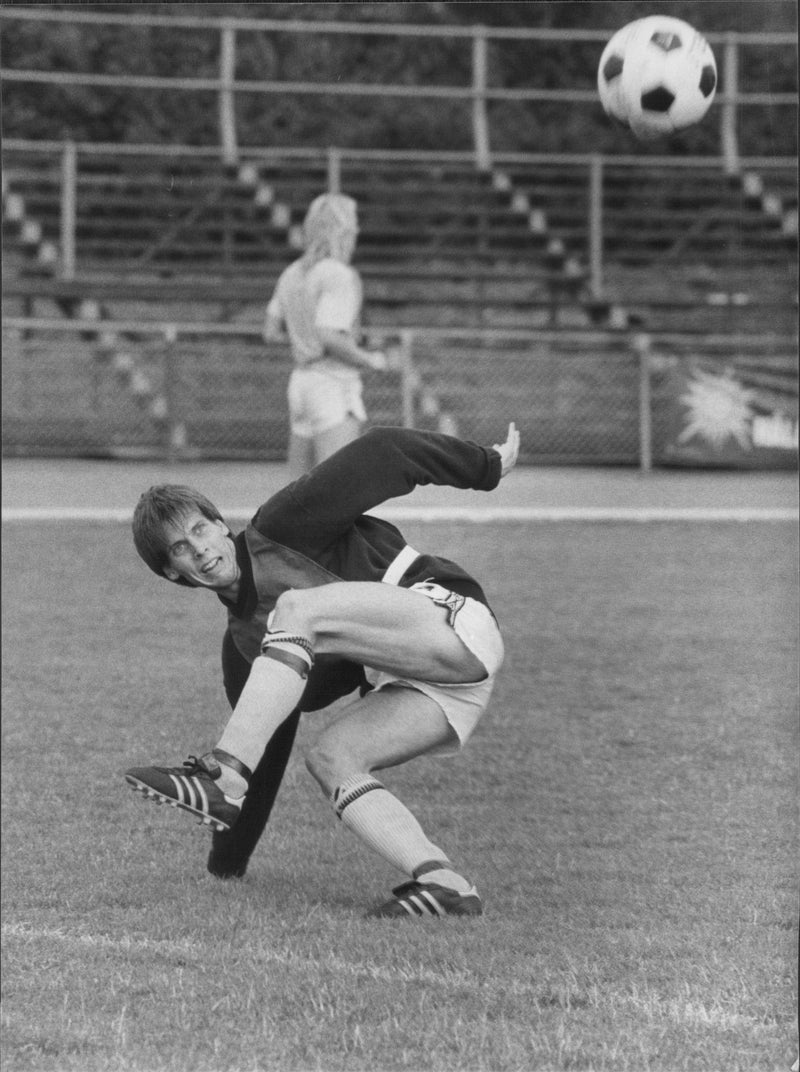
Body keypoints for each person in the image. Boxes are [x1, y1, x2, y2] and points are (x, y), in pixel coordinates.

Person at [125, 421, 520, 918]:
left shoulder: (282, 526)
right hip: (425, 684)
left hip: (451, 621)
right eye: (179, 548)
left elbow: (387, 450)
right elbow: (263, 760)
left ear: (222, 525)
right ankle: (445, 883)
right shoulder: (243, 650)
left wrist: (485, 466)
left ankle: (218, 774)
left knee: (295, 609)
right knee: (331, 757)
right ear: (171, 573)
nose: (199, 549)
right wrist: (227, 864)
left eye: (200, 529)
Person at [263, 192, 387, 478]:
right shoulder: (339, 274)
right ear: (342, 229)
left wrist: (303, 343)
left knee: (296, 494)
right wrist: (371, 360)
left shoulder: (291, 273)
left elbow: (271, 332)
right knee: (339, 490)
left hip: (301, 381)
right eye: (353, 224)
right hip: (332, 383)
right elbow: (329, 334)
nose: (356, 231)